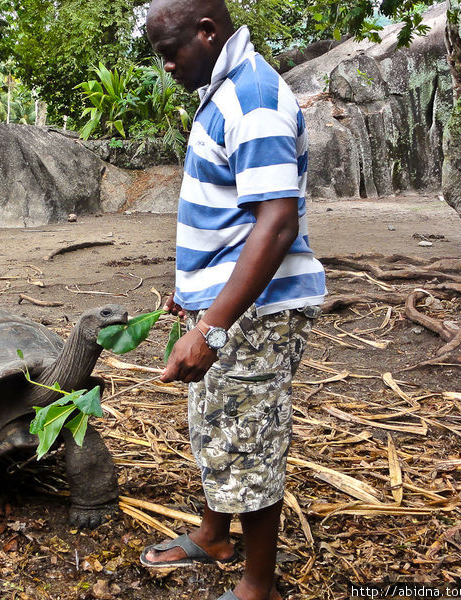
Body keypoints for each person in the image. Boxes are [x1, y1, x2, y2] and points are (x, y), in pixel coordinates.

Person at [140, 1, 326, 599]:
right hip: (228, 305)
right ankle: (215, 537)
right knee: (218, 426)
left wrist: (213, 327)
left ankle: (258, 586)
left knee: (248, 440)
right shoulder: (225, 89)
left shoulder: (253, 99)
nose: (165, 65)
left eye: (171, 50)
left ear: (208, 31)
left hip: (255, 315)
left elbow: (276, 223)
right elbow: (230, 218)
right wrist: (194, 296)